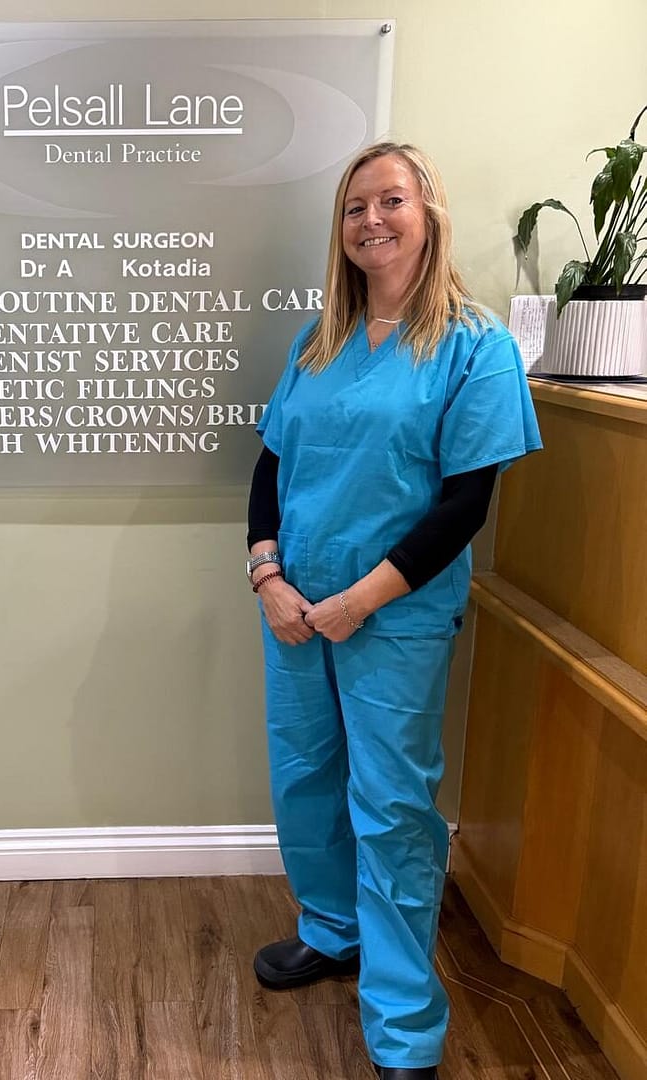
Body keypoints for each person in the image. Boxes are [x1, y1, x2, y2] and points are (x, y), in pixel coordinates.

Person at [246, 142, 541, 1079]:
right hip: (295, 610)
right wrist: (269, 578)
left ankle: (405, 1025)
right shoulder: (316, 340)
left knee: (393, 812)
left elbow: (466, 503)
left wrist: (356, 601)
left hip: (395, 619)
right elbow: (272, 463)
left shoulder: (474, 345)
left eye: (391, 201)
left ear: (429, 214)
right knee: (304, 784)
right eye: (354, 207)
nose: (372, 220)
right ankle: (331, 932)